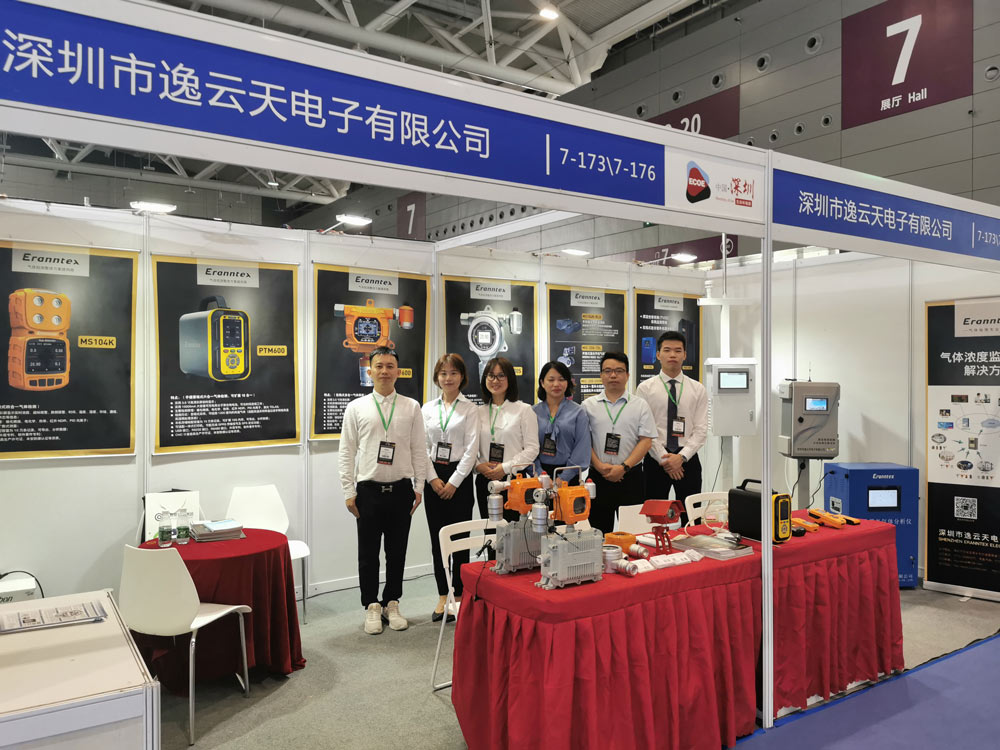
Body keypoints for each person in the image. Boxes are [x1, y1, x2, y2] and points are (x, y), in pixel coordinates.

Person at [338, 346, 426, 635]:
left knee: (397, 552)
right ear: (370, 370)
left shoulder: (411, 407)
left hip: (401, 490)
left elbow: (419, 449)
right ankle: (371, 605)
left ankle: (392, 602)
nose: (384, 371)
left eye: (390, 366)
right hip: (368, 491)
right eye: (379, 366)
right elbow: (346, 452)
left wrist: (419, 486)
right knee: (368, 554)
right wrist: (348, 491)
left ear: (397, 371)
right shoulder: (356, 408)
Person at [421, 353, 478, 623]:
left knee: (460, 541)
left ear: (462, 377)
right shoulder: (427, 409)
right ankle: (443, 594)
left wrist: (454, 481)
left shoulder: (470, 409)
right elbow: (421, 448)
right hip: (434, 477)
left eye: (454, 373)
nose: (448, 378)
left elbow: (471, 449)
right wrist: (433, 479)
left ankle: (459, 593)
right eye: (443, 373)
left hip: (460, 479)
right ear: (437, 377)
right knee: (438, 540)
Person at [582, 352, 657, 535]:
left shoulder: (640, 405)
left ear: (627, 375)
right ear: (601, 375)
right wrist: (599, 466)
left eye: (619, 371)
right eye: (608, 371)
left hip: (631, 478)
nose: (613, 375)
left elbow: (646, 441)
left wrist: (623, 467)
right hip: (598, 478)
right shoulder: (588, 405)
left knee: (634, 534)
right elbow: (584, 442)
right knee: (597, 534)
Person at [635, 331, 708, 516]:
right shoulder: (645, 388)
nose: (672, 355)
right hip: (655, 460)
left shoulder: (697, 389)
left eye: (678, 350)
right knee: (653, 517)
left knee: (691, 516)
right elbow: (644, 429)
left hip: (688, 460)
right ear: (658, 355)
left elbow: (701, 430)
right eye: (667, 350)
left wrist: (681, 457)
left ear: (685, 355)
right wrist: (665, 459)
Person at [474, 356, 539, 525]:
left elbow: (532, 448)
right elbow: (470, 447)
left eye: (501, 375)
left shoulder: (524, 410)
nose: (495, 380)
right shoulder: (478, 412)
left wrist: (505, 467)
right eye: (491, 375)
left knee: (515, 532)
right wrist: (478, 466)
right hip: (485, 480)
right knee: (489, 532)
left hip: (514, 481)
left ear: (510, 378)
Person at [532, 361, 590, 485]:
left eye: (562, 379)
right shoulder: (532, 412)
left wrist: (564, 478)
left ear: (568, 382)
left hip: (570, 475)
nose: (556, 384)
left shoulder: (578, 412)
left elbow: (582, 448)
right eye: (551, 380)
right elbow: (527, 446)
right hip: (539, 476)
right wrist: (540, 473)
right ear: (542, 383)